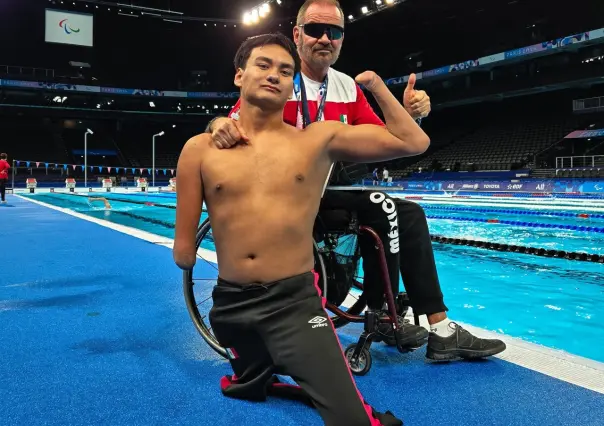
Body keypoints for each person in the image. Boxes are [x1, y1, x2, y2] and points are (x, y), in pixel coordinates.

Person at [207, 0, 506, 361]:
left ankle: (439, 328)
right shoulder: (282, 77)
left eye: (334, 32)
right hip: (282, 197)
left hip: (330, 194)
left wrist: (408, 115)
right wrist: (216, 125)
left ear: (342, 40)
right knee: (382, 203)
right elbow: (234, 121)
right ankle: (381, 314)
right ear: (297, 34)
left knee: (409, 214)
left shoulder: (348, 87)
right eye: (316, 29)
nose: (324, 39)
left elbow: (386, 140)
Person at [174, 33, 429, 426]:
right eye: (263, 65)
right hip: (229, 308)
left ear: (293, 86)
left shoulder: (317, 139)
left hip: (293, 305)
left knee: (352, 420)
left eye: (285, 71)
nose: (274, 75)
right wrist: (217, 127)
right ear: (239, 76)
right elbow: (183, 253)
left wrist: (377, 86)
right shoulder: (200, 150)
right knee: (249, 384)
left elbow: (413, 140)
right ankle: (262, 362)